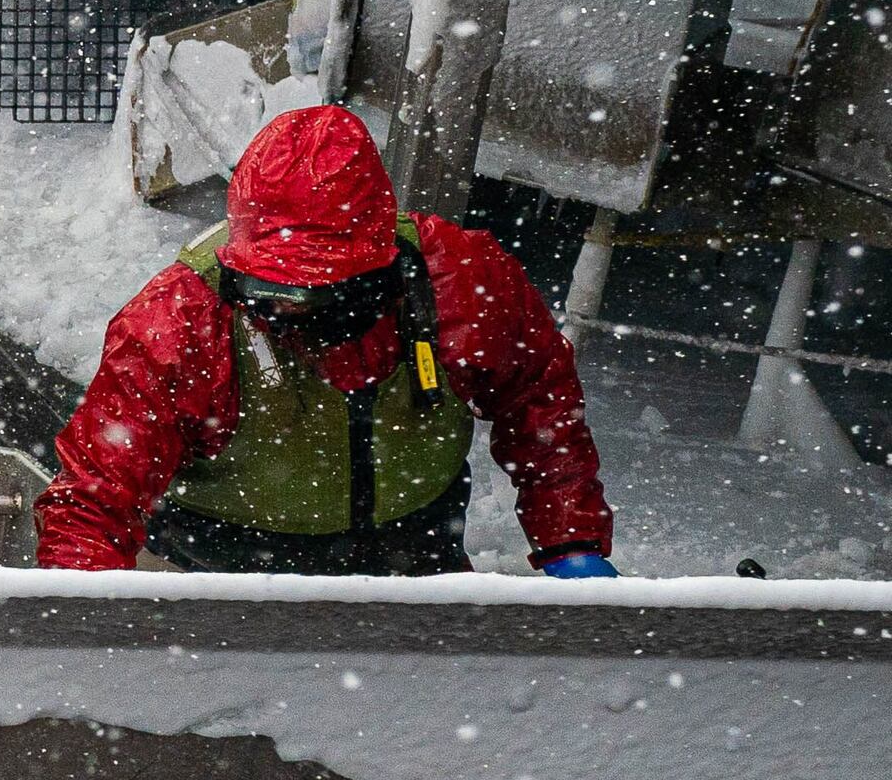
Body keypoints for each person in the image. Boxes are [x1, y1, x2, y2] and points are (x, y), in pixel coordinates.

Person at [39, 101, 612, 577]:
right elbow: (94, 499)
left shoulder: (462, 282)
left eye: (321, 290)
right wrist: (83, 624)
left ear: (379, 262)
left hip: (415, 560)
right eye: (271, 288)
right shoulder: (179, 320)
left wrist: (572, 542)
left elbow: (541, 409)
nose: (292, 311)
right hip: (214, 571)